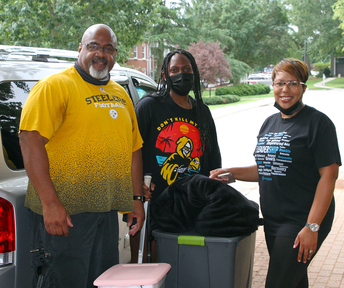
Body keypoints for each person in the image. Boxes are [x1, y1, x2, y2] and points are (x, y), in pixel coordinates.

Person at [19, 24, 145, 288]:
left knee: (102, 281)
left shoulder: (120, 94)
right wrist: (50, 203)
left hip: (105, 213)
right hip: (65, 215)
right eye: (94, 46)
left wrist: (135, 200)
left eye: (108, 48)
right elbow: (30, 142)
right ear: (80, 49)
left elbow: (133, 148)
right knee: (62, 282)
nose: (101, 54)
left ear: (115, 55)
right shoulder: (55, 86)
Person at [210, 58, 341, 288]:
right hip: (274, 219)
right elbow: (266, 169)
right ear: (273, 85)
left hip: (302, 219)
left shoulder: (318, 124)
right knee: (294, 281)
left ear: (303, 88)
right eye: (279, 83)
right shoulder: (269, 123)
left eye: (292, 83)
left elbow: (329, 176)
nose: (285, 90)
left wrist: (312, 227)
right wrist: (232, 172)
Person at [132, 49, 221, 262]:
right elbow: (132, 152)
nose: (181, 74)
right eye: (175, 70)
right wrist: (137, 188)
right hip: (157, 205)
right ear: (165, 75)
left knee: (188, 265)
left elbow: (213, 159)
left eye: (187, 70)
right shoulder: (149, 106)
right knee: (155, 265)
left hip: (193, 204)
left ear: (194, 74)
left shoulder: (202, 111)